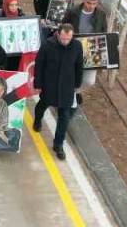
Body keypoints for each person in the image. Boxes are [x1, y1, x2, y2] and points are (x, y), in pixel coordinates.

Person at [33, 23, 85, 160]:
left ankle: (58, 144)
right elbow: (39, 65)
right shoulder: (47, 45)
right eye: (63, 38)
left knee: (64, 116)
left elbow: (79, 66)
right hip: (50, 84)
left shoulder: (77, 46)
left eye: (68, 39)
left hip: (67, 87)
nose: (66, 41)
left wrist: (77, 84)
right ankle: (37, 120)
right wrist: (38, 83)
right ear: (58, 34)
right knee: (42, 105)